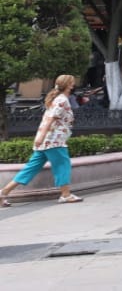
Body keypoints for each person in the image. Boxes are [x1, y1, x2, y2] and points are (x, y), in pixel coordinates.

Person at [1, 75, 83, 207]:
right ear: (68, 85)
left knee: (30, 169)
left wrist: (40, 138)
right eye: (72, 83)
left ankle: (3, 192)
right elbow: (50, 119)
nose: (74, 85)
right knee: (63, 165)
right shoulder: (62, 100)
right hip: (54, 141)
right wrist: (41, 137)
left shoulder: (58, 99)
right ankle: (66, 195)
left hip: (47, 141)